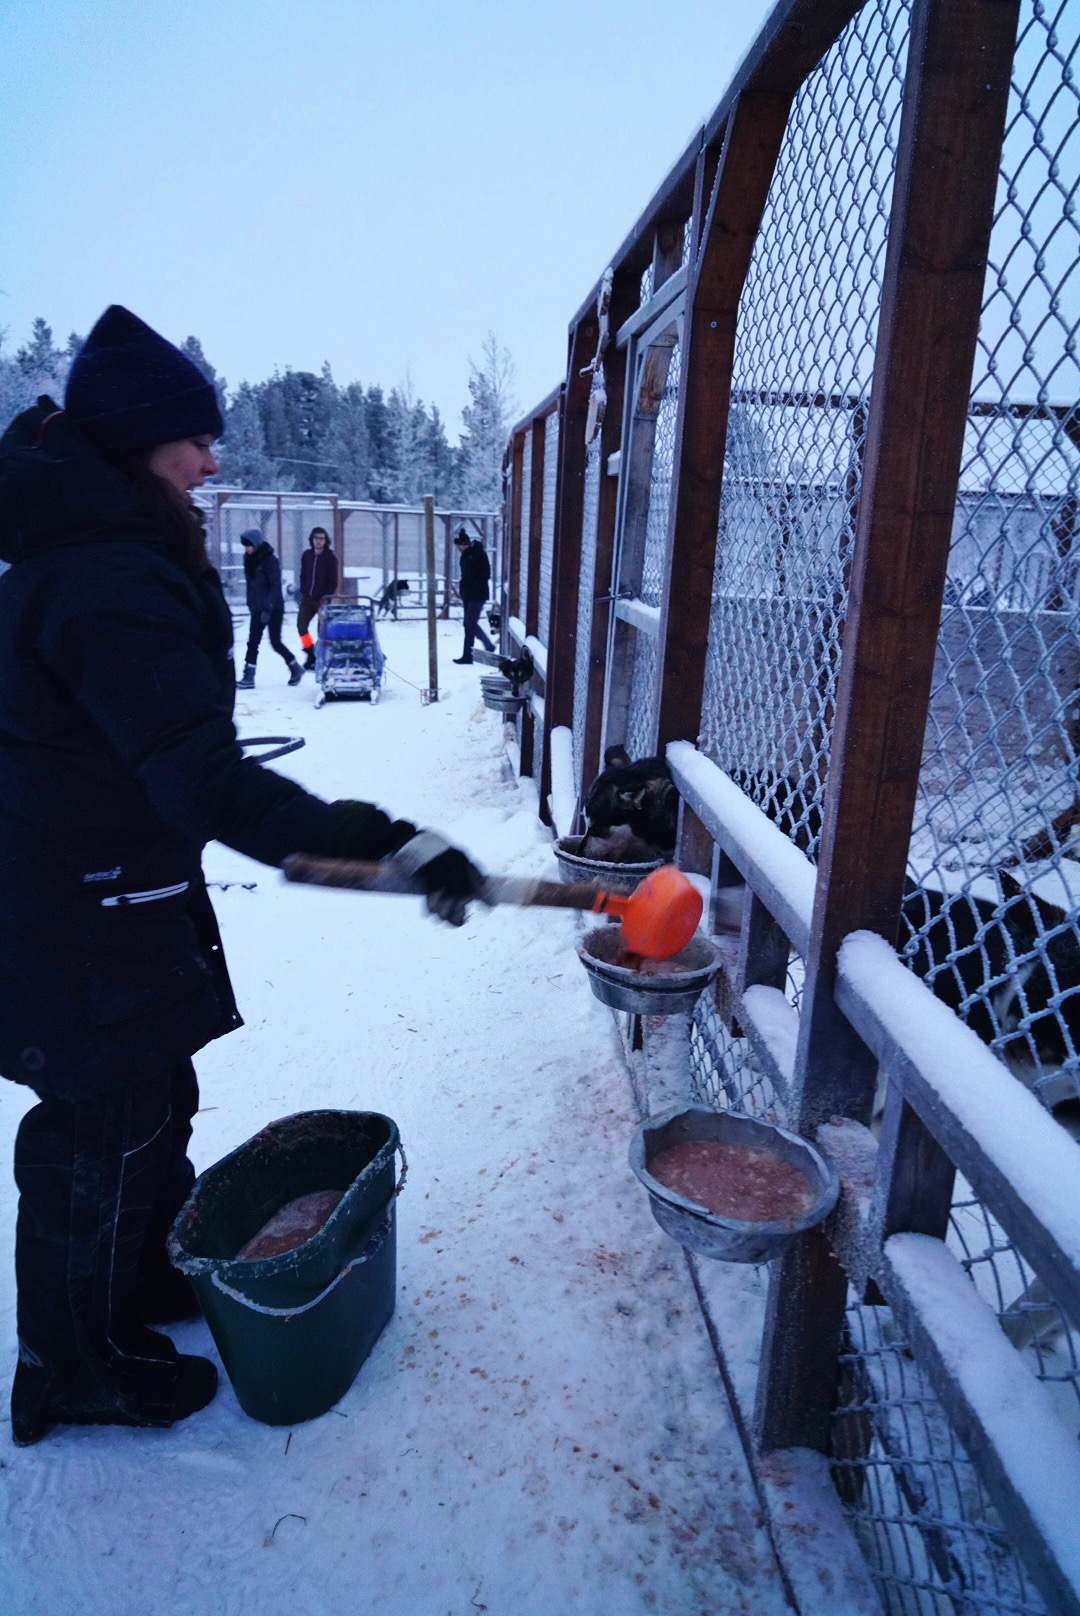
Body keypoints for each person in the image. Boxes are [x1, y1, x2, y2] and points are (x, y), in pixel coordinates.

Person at [0, 304, 484, 1445]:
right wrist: (390, 844)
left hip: (98, 887)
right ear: (133, 442)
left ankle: (131, 1281)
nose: (213, 459)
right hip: (81, 903)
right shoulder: (105, 576)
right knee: (99, 1123)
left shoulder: (92, 552)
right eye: (192, 438)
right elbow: (205, 781)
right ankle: (71, 1364)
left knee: (148, 1097)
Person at [238, 529, 303, 688]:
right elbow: (250, 585)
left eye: (249, 545)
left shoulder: (270, 560)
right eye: (245, 545)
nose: (247, 548)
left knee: (275, 642)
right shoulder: (248, 560)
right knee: (253, 641)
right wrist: (251, 604)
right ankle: (248, 676)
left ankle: (294, 666)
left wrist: (268, 608)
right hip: (257, 608)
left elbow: (275, 586)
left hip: (273, 608)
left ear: (257, 544)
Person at [296, 525, 340, 670]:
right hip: (307, 598)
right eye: (316, 538)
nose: (319, 541)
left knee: (322, 630)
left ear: (326, 540)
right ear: (312, 539)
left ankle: (322, 657)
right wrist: (303, 590)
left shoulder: (330, 558)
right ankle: (310, 654)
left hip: (322, 600)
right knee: (301, 627)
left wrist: (326, 597)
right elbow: (303, 575)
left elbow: (333, 580)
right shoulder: (306, 555)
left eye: (322, 538)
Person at [453, 527, 495, 664]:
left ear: (465, 544)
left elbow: (485, 574)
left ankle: (488, 645)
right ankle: (467, 655)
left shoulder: (478, 554)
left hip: (477, 594)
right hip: (468, 594)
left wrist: (473, 585)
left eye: (459, 545)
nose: (458, 548)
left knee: (469, 622)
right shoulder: (465, 556)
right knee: (468, 626)